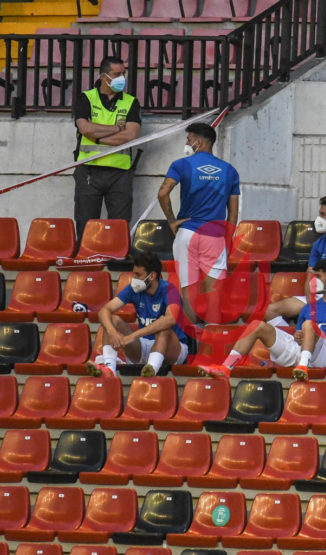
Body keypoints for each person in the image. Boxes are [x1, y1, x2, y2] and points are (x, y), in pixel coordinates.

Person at [200, 259, 326, 381]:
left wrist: (316, 335)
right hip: (300, 351)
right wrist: (301, 336)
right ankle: (226, 368)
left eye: (318, 276)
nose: (313, 280)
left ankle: (303, 367)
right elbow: (300, 333)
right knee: (257, 326)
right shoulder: (308, 308)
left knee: (309, 325)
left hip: (325, 356)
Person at [157, 122, 240, 325]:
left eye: (189, 138)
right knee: (214, 296)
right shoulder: (229, 171)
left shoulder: (181, 165)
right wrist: (227, 242)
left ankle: (190, 346)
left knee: (189, 294)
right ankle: (210, 349)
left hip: (187, 233)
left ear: (199, 141)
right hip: (215, 236)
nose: (187, 143)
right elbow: (233, 213)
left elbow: (162, 193)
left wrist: (172, 221)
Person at [72, 55, 142, 244]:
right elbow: (84, 129)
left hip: (120, 173)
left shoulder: (130, 102)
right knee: (86, 222)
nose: (122, 78)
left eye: (123, 74)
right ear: (104, 76)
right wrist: (118, 129)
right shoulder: (86, 98)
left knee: (119, 224)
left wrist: (97, 134)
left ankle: (116, 260)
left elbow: (131, 135)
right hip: (89, 170)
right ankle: (86, 261)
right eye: (117, 74)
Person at [87, 251, 189, 378]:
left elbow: (170, 319)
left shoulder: (170, 290)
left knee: (163, 328)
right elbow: (104, 310)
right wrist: (112, 332)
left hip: (173, 348)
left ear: (152, 276)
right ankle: (109, 369)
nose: (134, 279)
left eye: (138, 275)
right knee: (112, 320)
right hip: (144, 346)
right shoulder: (133, 289)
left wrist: (133, 336)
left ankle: (151, 369)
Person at [265, 196, 326, 325]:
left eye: (323, 215)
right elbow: (310, 277)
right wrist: (311, 302)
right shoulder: (318, 244)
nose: (318, 219)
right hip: (318, 297)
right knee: (270, 311)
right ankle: (293, 339)